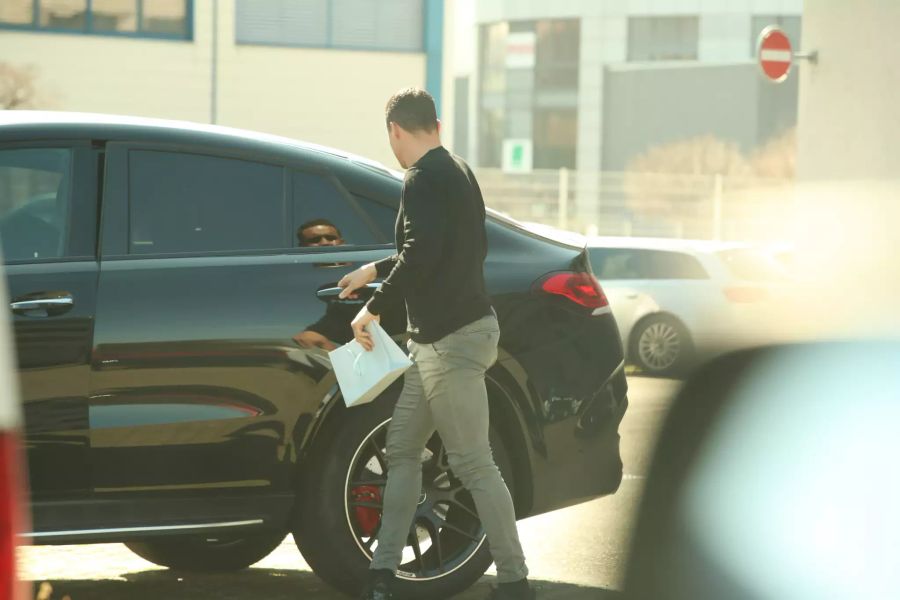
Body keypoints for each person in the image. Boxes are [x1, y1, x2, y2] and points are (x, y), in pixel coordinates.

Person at [338, 88, 534, 600]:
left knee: (473, 463)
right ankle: (382, 574)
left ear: (396, 131)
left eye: (392, 141)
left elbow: (422, 251)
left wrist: (373, 305)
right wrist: (374, 269)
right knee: (403, 449)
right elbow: (439, 247)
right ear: (437, 124)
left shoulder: (422, 179)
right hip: (441, 342)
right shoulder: (459, 172)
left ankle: (515, 582)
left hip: (451, 342)